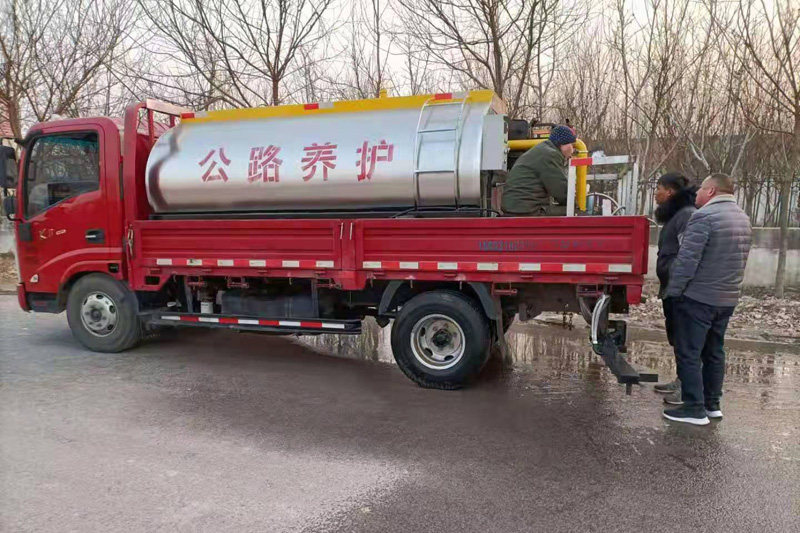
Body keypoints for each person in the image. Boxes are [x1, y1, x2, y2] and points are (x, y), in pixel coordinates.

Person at [663, 173, 752, 425]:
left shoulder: (704, 217)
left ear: (711, 191)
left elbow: (687, 261)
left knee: (689, 353)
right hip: (726, 298)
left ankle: (694, 408)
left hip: (699, 298)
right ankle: (712, 405)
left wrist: (674, 292)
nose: (697, 193)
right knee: (714, 352)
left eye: (701, 188)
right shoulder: (742, 218)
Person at [651, 173, 697, 401]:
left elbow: (688, 254)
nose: (655, 193)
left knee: (685, 340)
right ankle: (681, 380)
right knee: (677, 337)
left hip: (679, 289)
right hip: (671, 287)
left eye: (658, 188)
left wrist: (677, 284)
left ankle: (687, 389)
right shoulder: (676, 215)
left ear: (669, 192)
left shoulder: (686, 215)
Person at [501, 125, 577, 216]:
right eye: (572, 145)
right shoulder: (550, 155)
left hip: (518, 207)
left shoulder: (542, 150)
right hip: (527, 210)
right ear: (563, 144)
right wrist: (576, 203)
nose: (572, 150)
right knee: (574, 212)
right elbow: (562, 192)